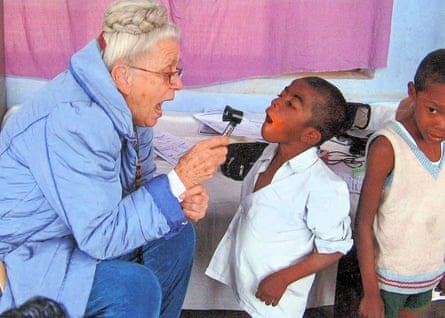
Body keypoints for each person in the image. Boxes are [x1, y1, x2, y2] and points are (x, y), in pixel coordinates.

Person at [0, 0, 229, 317]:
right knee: (133, 288)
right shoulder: (76, 122)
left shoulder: (129, 108)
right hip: (27, 250)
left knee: (176, 237)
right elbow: (99, 237)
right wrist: (178, 179)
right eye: (168, 73)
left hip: (71, 232)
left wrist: (178, 195)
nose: (178, 84)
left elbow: (140, 185)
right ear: (123, 76)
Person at [205, 76, 354, 318]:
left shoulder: (324, 186)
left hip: (277, 300)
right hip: (249, 284)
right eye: (282, 94)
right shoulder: (269, 153)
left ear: (309, 136)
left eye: (291, 104)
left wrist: (283, 279)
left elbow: (335, 247)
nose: (276, 102)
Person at [355, 48, 445, 318]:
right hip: (386, 281)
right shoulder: (388, 146)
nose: (441, 124)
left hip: (426, 274)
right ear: (413, 93)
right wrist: (371, 293)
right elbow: (362, 222)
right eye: (433, 110)